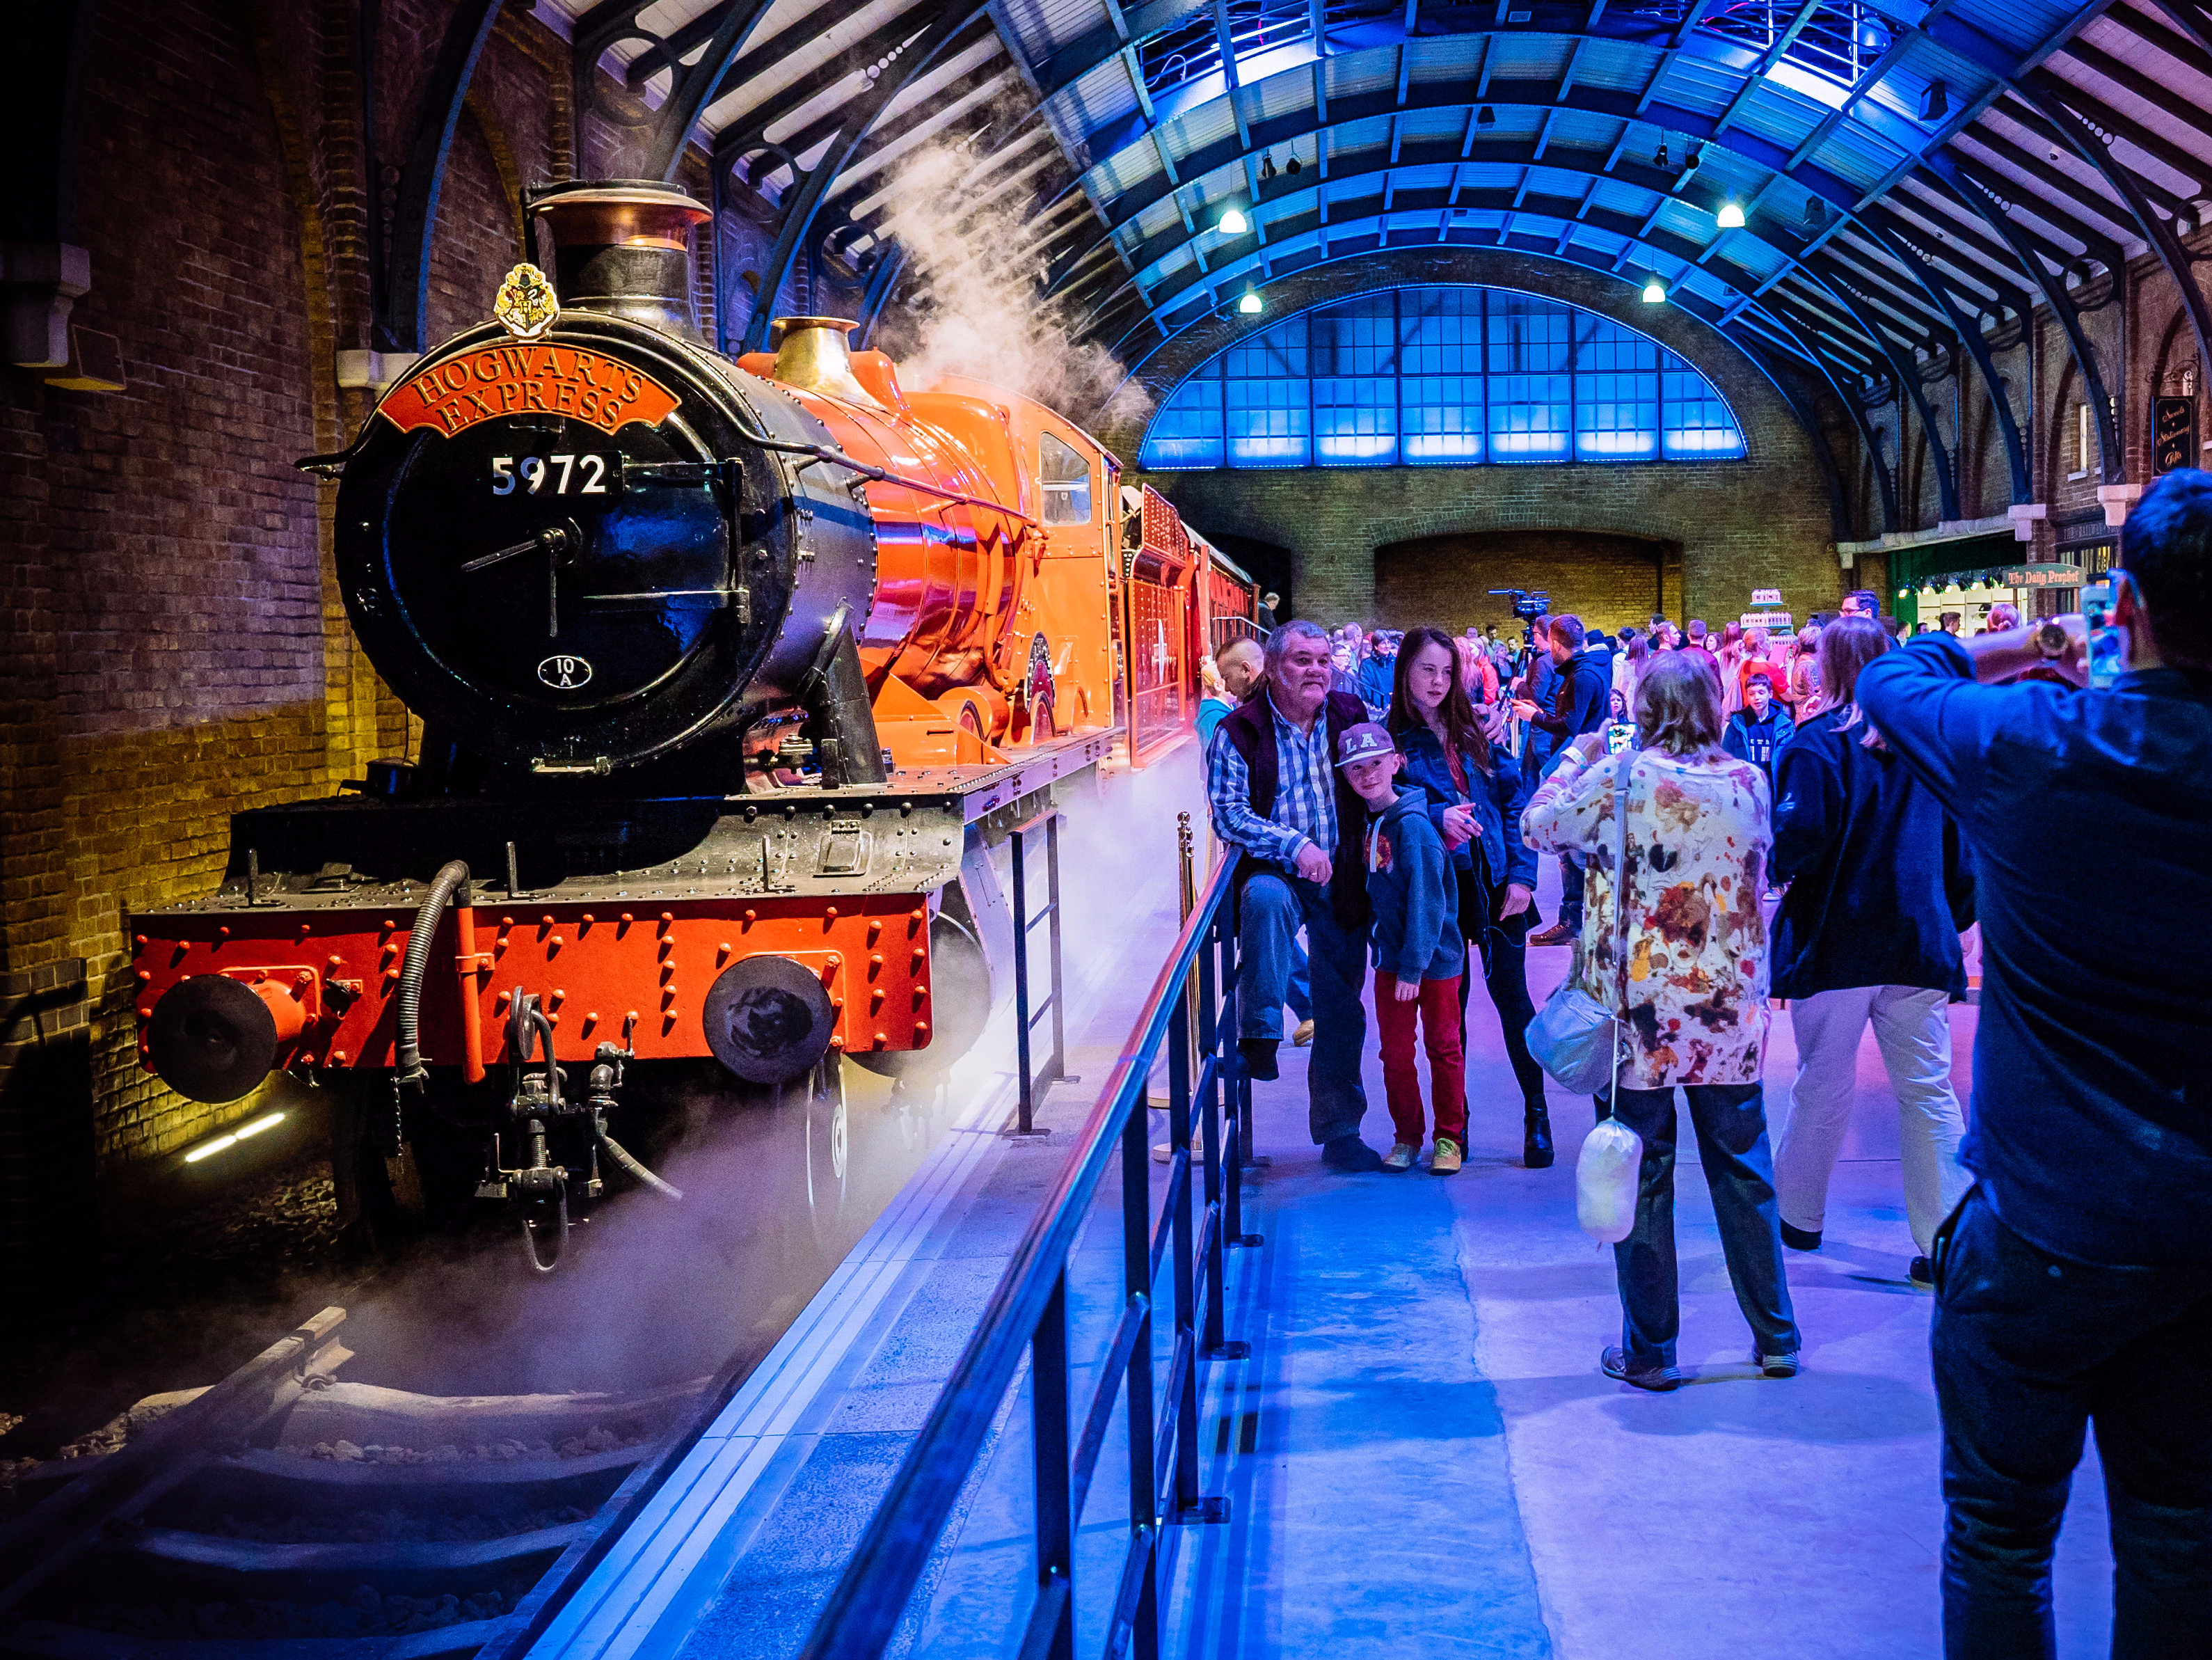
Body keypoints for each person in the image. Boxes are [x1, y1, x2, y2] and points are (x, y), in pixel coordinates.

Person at [1856, 468, 2212, 1659]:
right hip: (2201, 1241)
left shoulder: (2038, 748)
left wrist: (2028, 640)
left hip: (2043, 1230)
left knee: (2000, 1538)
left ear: (2126, 605)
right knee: (2177, 1542)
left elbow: (1888, 674)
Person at [1522, 651, 1801, 1392]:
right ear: (1714, 705)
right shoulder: (1750, 780)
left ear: (1643, 708)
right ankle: (1775, 1338)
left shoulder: (1621, 778)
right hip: (1729, 1017)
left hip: (1637, 1017)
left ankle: (1651, 1352)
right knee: (1743, 1174)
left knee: (1640, 1174)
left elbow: (1538, 828)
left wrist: (1574, 754)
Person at [1767, 615, 1971, 1285]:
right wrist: (1950, 914)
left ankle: (1797, 1220)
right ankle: (1942, 1241)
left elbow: (1801, 842)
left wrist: (1773, 869)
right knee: (1928, 1092)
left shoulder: (1815, 744)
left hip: (1836, 942)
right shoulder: (1928, 744)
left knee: (1821, 1082)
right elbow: (1960, 853)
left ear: (1824, 667)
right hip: (1918, 936)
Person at [1208, 620, 1380, 1171]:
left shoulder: (1350, 715)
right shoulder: (1238, 732)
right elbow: (1229, 814)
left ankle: (1340, 1131)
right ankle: (1260, 1032)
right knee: (1261, 901)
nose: (1316, 670)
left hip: (1342, 873)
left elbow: (1377, 774)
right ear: (1273, 669)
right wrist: (1294, 843)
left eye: (1323, 660)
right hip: (1277, 867)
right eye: (1302, 660)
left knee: (1339, 1010)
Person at [1390, 626, 1552, 1169]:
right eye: (1426, 670)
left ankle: (1536, 1113)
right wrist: (1436, 817)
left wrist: (1523, 877)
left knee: (1513, 1003)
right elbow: (1384, 807)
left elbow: (1515, 802)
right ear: (1405, 672)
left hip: (1497, 885)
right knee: (1448, 1015)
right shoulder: (1393, 739)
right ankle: (1454, 1128)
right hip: (1439, 895)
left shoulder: (1474, 730)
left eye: (1445, 671)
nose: (1437, 682)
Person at [1339, 722, 1467, 1175]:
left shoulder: (1412, 826)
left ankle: (1448, 1137)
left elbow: (1427, 901)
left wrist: (1413, 966)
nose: (1367, 774)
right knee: (1394, 1054)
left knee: (1442, 1047)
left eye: (1376, 763)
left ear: (1396, 762)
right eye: (1356, 768)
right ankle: (1407, 1136)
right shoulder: (1371, 824)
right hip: (1392, 960)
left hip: (1430, 963)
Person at [1513, 615, 1611, 947]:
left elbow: (1570, 726)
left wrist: (1534, 716)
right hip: (1581, 766)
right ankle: (1576, 921)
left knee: (1570, 849)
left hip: (1578, 769)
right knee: (1573, 849)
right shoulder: (1587, 670)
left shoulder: (1582, 676)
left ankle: (1572, 922)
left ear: (1555, 642)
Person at [1722, 670, 1796, 788]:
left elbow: (1790, 761)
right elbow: (1726, 755)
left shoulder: (1784, 726)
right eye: (1751, 694)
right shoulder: (1738, 724)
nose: (1756, 698)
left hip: (1772, 786)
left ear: (1770, 694)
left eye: (1761, 692)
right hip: (1745, 786)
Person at [1357, 628, 1399, 714]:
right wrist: (1385, 706)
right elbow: (1368, 688)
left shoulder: (1396, 661)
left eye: (1389, 643)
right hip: (1377, 710)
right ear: (1376, 646)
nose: (1387, 646)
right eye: (1383, 643)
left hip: (1396, 708)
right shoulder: (1367, 665)